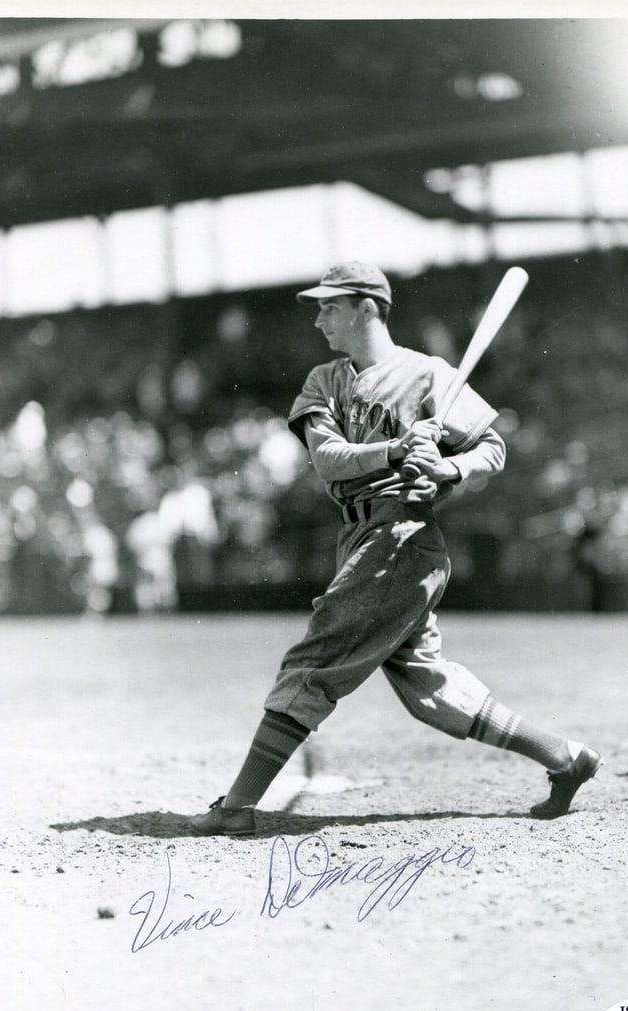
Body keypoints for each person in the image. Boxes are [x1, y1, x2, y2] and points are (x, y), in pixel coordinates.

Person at [190, 261, 600, 836]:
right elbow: (329, 459)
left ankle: (236, 805)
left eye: (331, 307)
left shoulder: (428, 374)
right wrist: (397, 447)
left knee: (312, 664)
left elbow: (492, 447)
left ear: (367, 307)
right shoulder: (323, 381)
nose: (319, 319)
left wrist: (446, 468)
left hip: (402, 535)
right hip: (360, 535)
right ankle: (565, 756)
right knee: (432, 689)